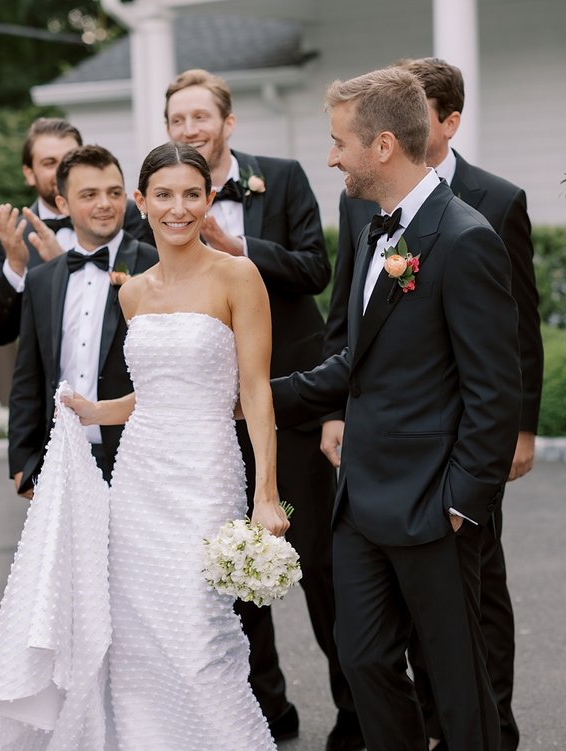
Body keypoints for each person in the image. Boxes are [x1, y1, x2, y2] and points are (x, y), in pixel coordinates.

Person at [0, 141, 291, 749]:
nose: (179, 209)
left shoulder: (238, 276)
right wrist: (97, 411)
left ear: (208, 200)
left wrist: (267, 493)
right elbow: (151, 392)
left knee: (201, 631)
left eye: (192, 194)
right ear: (143, 202)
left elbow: (254, 392)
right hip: (139, 476)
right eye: (165, 195)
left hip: (206, 472)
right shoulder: (134, 291)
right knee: (137, 634)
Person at [271, 66, 522, 750]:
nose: (331, 157)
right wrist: (255, 401)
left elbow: (493, 390)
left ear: (383, 145)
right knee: (364, 660)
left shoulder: (465, 238)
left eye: (339, 142)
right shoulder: (370, 222)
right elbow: (356, 362)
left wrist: (463, 501)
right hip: (361, 500)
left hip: (433, 505)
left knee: (456, 679)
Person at [123, 69, 360, 748]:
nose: (190, 128)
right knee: (225, 568)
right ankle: (264, 705)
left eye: (202, 116)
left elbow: (318, 269)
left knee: (315, 562)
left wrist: (240, 250)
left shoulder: (280, 177)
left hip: (290, 392)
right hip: (205, 422)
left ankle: (355, 708)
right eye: (178, 119)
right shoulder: (163, 220)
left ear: (227, 122)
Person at [6, 145, 158, 497]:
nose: (105, 203)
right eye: (89, 194)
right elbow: (28, 374)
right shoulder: (42, 280)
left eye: (114, 193)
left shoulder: (155, 267)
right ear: (62, 204)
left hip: (140, 451)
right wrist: (22, 464)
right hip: (63, 454)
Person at [0, 117, 82, 347]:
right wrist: (15, 266)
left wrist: (64, 265)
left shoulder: (120, 218)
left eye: (70, 160)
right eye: (49, 163)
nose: (62, 170)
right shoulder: (11, 238)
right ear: (29, 173)